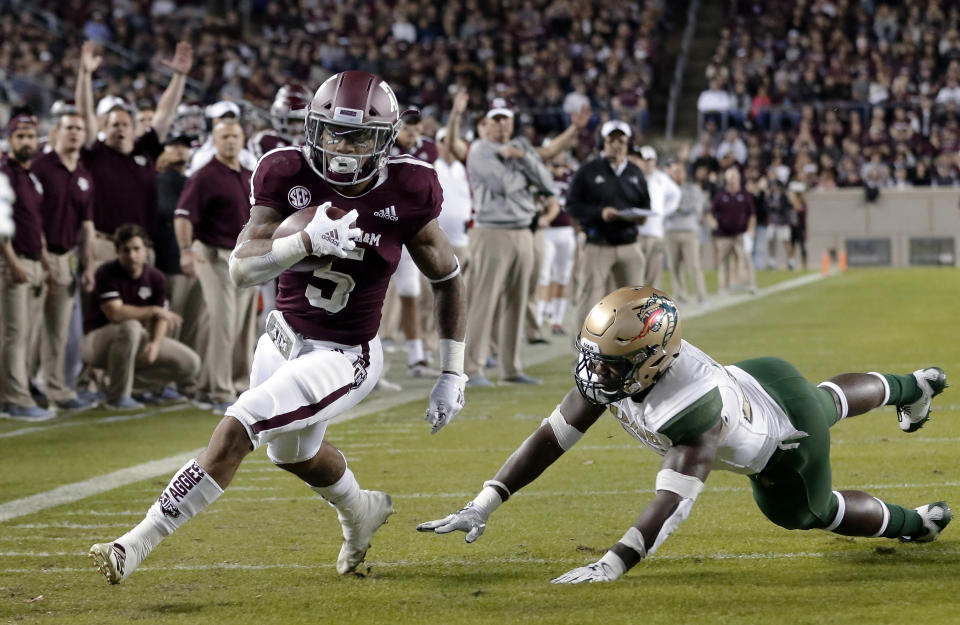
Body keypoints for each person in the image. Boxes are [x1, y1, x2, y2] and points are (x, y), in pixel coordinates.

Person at [89, 70, 467, 585]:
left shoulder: (409, 188)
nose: (341, 144)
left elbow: (447, 277)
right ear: (313, 126)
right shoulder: (284, 171)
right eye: (332, 129)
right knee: (294, 453)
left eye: (356, 134)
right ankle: (361, 511)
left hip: (345, 353)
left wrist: (453, 372)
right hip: (282, 337)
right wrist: (303, 243)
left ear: (383, 138)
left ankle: (133, 543)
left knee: (239, 424)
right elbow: (242, 268)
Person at [418, 286, 953, 583]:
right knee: (822, 400)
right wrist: (485, 502)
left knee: (804, 512)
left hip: (784, 439)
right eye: (594, 358)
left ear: (652, 360)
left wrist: (614, 562)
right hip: (763, 377)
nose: (595, 373)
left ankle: (918, 523)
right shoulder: (618, 367)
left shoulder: (687, 408)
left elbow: (673, 503)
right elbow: (552, 438)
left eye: (609, 364)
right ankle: (913, 386)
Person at [463, 97, 555, 387]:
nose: (501, 124)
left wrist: (523, 158)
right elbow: (501, 186)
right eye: (496, 119)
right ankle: (472, 367)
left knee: (518, 300)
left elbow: (548, 183)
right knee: (484, 300)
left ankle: (511, 368)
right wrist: (527, 176)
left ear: (512, 122)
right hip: (492, 232)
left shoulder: (522, 148)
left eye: (506, 119)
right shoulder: (479, 149)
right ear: (487, 124)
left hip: (524, 231)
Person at [75, 40, 193, 267]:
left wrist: (179, 78)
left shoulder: (145, 149)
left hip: (143, 248)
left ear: (133, 128)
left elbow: (165, 114)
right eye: (114, 124)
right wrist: (84, 75)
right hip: (104, 246)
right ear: (103, 128)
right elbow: (84, 113)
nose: (120, 128)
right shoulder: (95, 152)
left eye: (124, 124)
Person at [174, 118, 256, 414]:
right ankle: (217, 390)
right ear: (215, 141)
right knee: (223, 321)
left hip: (245, 256)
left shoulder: (248, 174)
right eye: (224, 137)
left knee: (245, 325)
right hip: (212, 254)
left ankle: (237, 383)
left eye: (235, 136)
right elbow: (182, 215)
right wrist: (185, 250)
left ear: (243, 139)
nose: (231, 141)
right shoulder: (205, 175)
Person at [81, 224, 200, 410]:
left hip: (136, 341)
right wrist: (153, 310)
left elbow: (162, 317)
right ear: (117, 252)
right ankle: (117, 396)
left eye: (137, 249)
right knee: (131, 327)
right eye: (125, 250)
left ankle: (126, 386)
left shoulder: (156, 277)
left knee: (189, 363)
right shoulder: (106, 272)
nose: (132, 255)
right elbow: (115, 313)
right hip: (96, 342)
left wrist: (155, 345)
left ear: (146, 250)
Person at [30, 111, 98, 412]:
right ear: (56, 132)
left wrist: (89, 263)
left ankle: (56, 389)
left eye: (79, 129)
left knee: (58, 331)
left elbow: (87, 225)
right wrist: (42, 258)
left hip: (67, 258)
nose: (74, 133)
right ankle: (23, 388)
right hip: (37, 256)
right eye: (69, 128)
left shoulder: (83, 175)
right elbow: (32, 218)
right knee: (27, 329)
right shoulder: (40, 167)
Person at [566, 120, 650, 329]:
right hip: (597, 244)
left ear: (628, 142)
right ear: (602, 142)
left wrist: (640, 216)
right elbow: (571, 206)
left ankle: (629, 354)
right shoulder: (588, 170)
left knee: (634, 304)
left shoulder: (635, 173)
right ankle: (583, 355)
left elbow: (645, 205)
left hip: (629, 244)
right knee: (589, 301)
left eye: (621, 140)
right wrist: (599, 213)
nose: (616, 144)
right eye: (611, 140)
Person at [0, 113, 54, 420]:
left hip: (33, 262)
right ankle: (15, 399)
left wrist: (44, 264)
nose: (25, 141)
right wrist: (12, 262)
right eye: (19, 136)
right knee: (14, 334)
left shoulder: (31, 177)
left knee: (27, 334)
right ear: (10, 141)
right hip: (14, 262)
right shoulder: (4, 173)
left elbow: (36, 225)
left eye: (30, 136)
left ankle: (15, 392)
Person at [632, 145, 680, 289]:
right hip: (636, 233)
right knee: (635, 274)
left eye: (650, 160)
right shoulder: (632, 177)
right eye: (644, 160)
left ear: (655, 161)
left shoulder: (661, 178)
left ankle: (648, 307)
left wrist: (663, 212)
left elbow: (676, 195)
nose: (647, 163)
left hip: (656, 232)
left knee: (653, 273)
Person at [664, 162, 708, 304]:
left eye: (680, 171)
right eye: (675, 171)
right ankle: (680, 295)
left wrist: (677, 207)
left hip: (689, 231)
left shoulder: (693, 188)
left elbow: (696, 208)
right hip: (671, 231)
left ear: (684, 173)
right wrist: (681, 207)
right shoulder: (666, 189)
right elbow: (664, 209)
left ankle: (701, 296)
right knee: (674, 266)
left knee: (694, 265)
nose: (677, 174)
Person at [708, 167, 756, 295]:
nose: (733, 180)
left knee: (746, 259)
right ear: (726, 179)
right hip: (723, 235)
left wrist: (751, 229)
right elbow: (711, 213)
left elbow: (752, 214)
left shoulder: (745, 196)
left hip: (741, 234)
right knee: (723, 262)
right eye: (731, 177)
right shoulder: (720, 196)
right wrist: (713, 223)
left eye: (735, 177)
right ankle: (723, 287)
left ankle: (751, 285)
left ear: (739, 179)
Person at [247, 84, 311, 161]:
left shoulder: (313, 143)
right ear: (279, 119)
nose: (296, 127)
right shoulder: (265, 140)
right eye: (291, 121)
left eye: (300, 121)